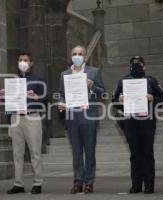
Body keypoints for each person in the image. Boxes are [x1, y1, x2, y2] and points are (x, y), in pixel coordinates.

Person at [113, 56, 163, 194]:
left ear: (144, 66)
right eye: (133, 64)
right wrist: (119, 99)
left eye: (139, 63)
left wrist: (153, 98)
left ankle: (149, 185)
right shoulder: (123, 81)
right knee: (135, 154)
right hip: (130, 121)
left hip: (147, 121)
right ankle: (136, 184)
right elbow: (114, 102)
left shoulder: (151, 80)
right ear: (130, 66)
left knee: (147, 153)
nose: (136, 66)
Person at [58, 46, 105, 194]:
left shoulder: (94, 72)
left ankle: (89, 182)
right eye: (74, 54)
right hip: (72, 118)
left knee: (89, 151)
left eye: (80, 54)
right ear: (70, 56)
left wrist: (92, 87)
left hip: (89, 116)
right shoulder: (64, 74)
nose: (77, 56)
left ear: (85, 57)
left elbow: (102, 93)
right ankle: (78, 181)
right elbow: (61, 93)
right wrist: (61, 102)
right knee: (76, 152)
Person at [4, 52, 47, 195]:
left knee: (35, 151)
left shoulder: (38, 79)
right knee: (17, 153)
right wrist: (5, 95)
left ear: (31, 63)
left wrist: (37, 97)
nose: (22, 62)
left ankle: (38, 182)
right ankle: (18, 183)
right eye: (20, 60)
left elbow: (46, 99)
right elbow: (8, 102)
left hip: (32, 117)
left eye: (25, 60)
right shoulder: (12, 81)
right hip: (15, 117)